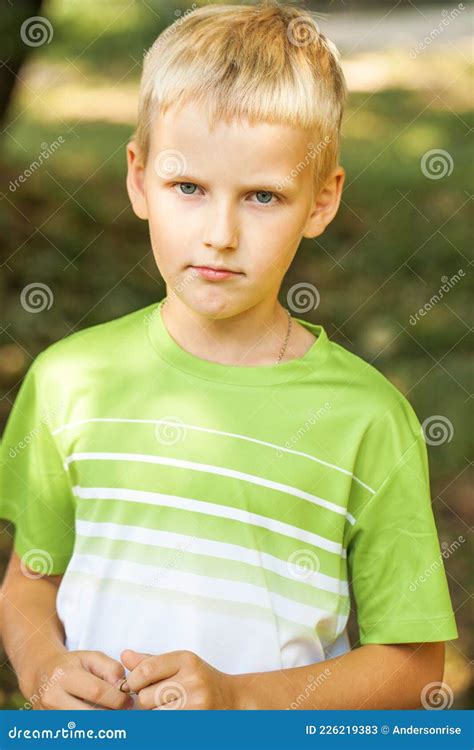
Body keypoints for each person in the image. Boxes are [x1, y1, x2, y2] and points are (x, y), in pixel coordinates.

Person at [0, 2, 457, 711]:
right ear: (139, 178)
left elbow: (413, 665)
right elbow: (32, 581)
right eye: (188, 187)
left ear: (320, 201)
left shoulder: (368, 419)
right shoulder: (69, 381)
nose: (220, 234)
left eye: (263, 197)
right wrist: (42, 669)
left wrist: (240, 698)